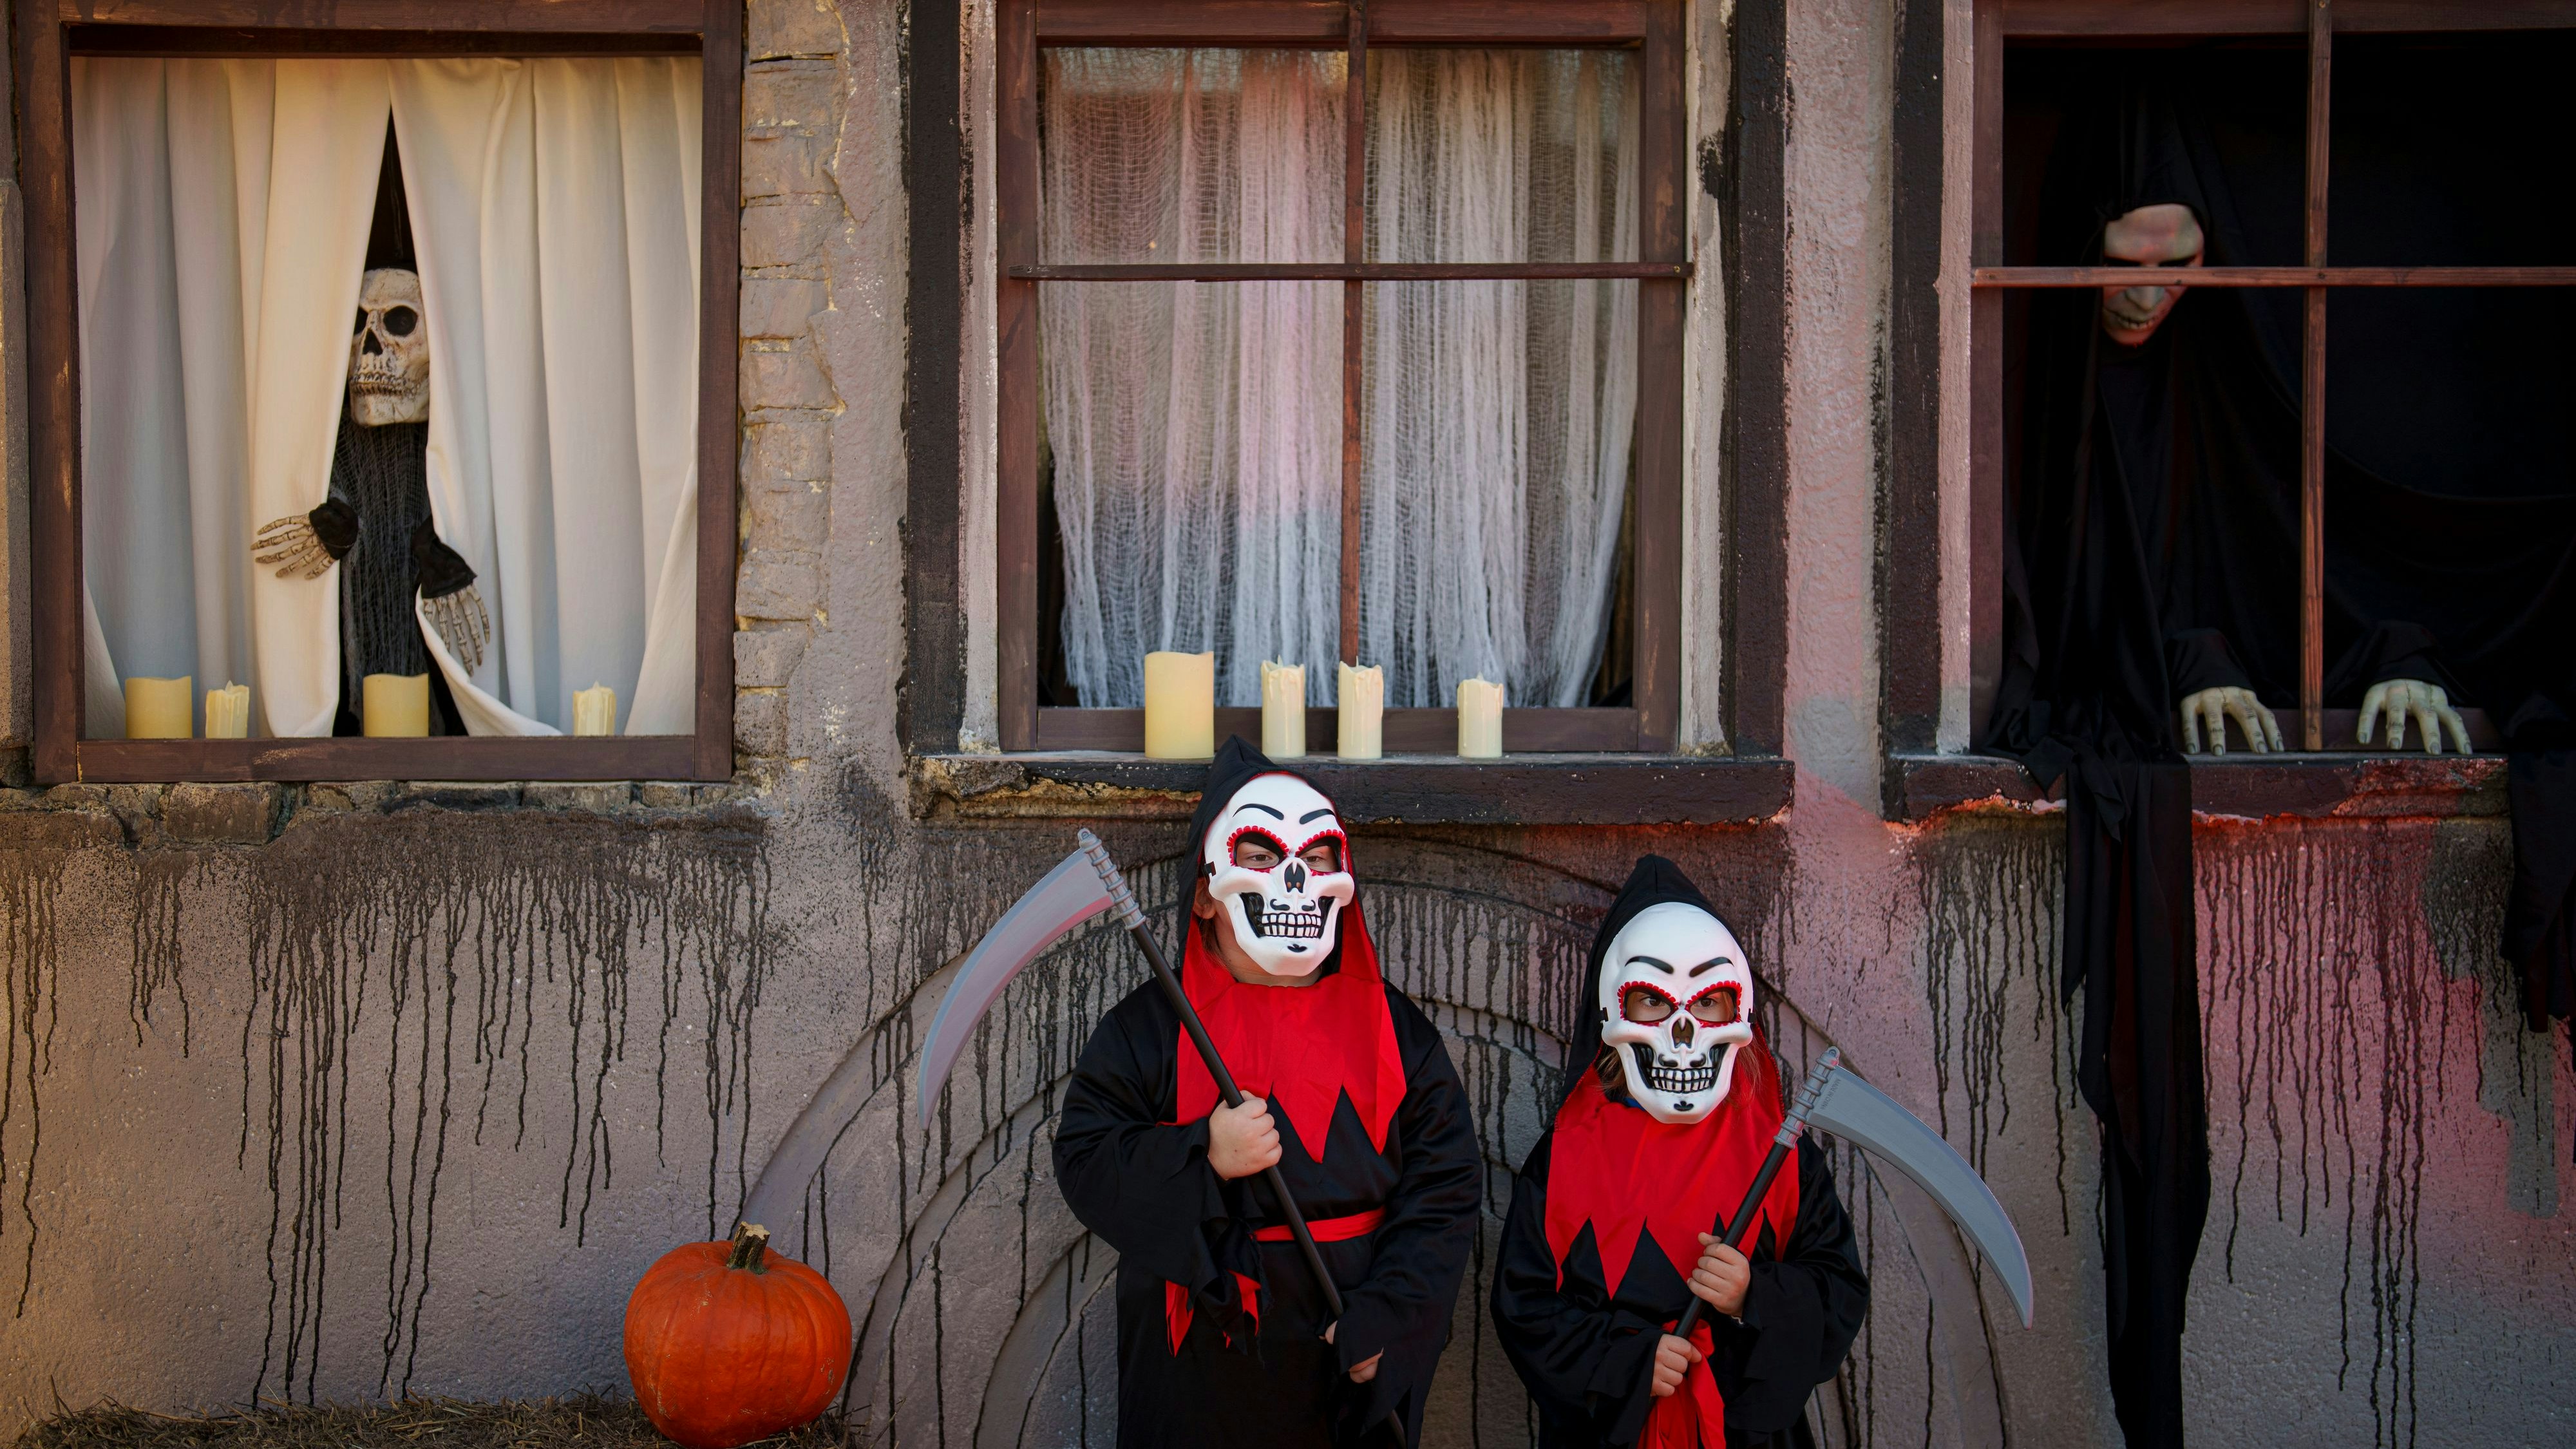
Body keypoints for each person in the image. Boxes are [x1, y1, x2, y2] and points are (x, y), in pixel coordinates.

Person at [1052, 737, 1482, 1447]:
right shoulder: (1150, 1029)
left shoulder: (1397, 1032)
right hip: (1199, 1365)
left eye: (1316, 859)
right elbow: (1086, 1160)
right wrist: (1203, 1154)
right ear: (1204, 895)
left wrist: (1394, 1314)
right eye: (1260, 855)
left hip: (1348, 1346)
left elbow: (1446, 1184)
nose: (1294, 877)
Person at [1491, 857, 1866, 1448]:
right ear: (1612, 1010)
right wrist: (1627, 1361)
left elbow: (1840, 1291)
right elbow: (1524, 1308)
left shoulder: (1783, 1155)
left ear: (1737, 1013)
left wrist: (1754, 1296)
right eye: (1654, 1001)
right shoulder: (1564, 1156)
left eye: (1709, 1002)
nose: (1684, 1031)